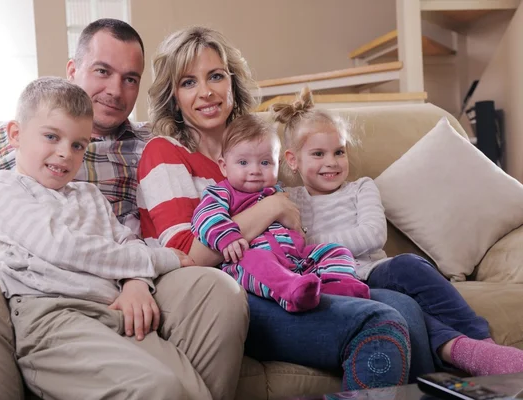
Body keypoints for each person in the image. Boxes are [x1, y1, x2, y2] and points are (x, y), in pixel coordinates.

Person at [0, 19, 248, 400]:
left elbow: (133, 235)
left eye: (130, 78)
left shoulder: (150, 145)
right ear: (72, 70)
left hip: (123, 285)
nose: (115, 89)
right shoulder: (11, 142)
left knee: (215, 296)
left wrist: (136, 280)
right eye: (102, 72)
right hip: (31, 291)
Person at [137, 25, 434, 390]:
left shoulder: (256, 150)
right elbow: (187, 257)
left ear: (233, 83)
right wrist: (271, 208)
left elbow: (294, 230)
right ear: (173, 95)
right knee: (379, 323)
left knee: (403, 307)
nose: (206, 92)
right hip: (230, 298)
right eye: (188, 82)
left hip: (289, 277)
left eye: (215, 76)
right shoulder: (164, 152)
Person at [0, 76, 200, 398]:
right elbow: (61, 246)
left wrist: (136, 280)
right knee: (157, 389)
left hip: (114, 311)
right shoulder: (0, 187)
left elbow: (125, 241)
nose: (65, 153)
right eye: (51, 136)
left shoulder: (88, 195)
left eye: (78, 144)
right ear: (16, 135)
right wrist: (158, 258)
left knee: (192, 389)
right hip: (51, 314)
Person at [278, 86, 523, 377]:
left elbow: (373, 235)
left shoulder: (361, 188)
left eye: (339, 152)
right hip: (338, 284)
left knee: (410, 264)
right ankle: (463, 353)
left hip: (376, 270)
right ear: (293, 160)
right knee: (403, 312)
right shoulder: (287, 200)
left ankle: (482, 342)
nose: (331, 162)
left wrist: (312, 245)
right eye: (318, 154)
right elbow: (285, 248)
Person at [191, 114, 370, 313]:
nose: (255, 171)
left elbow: (297, 226)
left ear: (278, 164)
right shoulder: (222, 192)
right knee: (256, 261)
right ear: (224, 166)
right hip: (247, 262)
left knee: (335, 250)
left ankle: (337, 287)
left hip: (295, 259)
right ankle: (292, 292)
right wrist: (228, 238)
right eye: (243, 163)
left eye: (265, 163)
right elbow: (205, 217)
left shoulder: (279, 193)